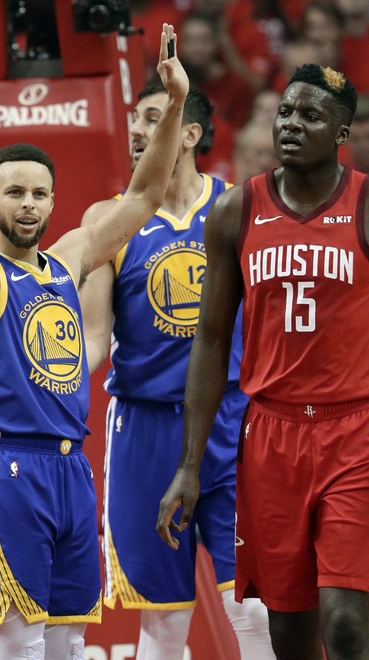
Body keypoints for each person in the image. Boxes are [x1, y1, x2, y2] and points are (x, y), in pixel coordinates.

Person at [0, 28, 189, 659]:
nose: (28, 203)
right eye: (15, 192)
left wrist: (175, 105)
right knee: (16, 651)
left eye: (39, 193)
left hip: (74, 468)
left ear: (53, 201)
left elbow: (145, 195)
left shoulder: (68, 262)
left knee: (68, 646)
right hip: (9, 467)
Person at [157, 62, 369, 660]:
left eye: (311, 116)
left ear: (343, 132)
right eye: (286, 113)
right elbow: (211, 339)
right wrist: (190, 464)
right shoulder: (236, 211)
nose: (292, 125)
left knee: (346, 621)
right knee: (288, 630)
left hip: (359, 429)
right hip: (270, 430)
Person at [80, 83, 273, 659]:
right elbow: (93, 339)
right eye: (134, 119)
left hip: (232, 421)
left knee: (256, 609)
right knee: (164, 623)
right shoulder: (107, 217)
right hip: (145, 429)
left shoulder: (241, 207)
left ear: (189, 134)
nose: (136, 129)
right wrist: (39, 378)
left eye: (152, 117)